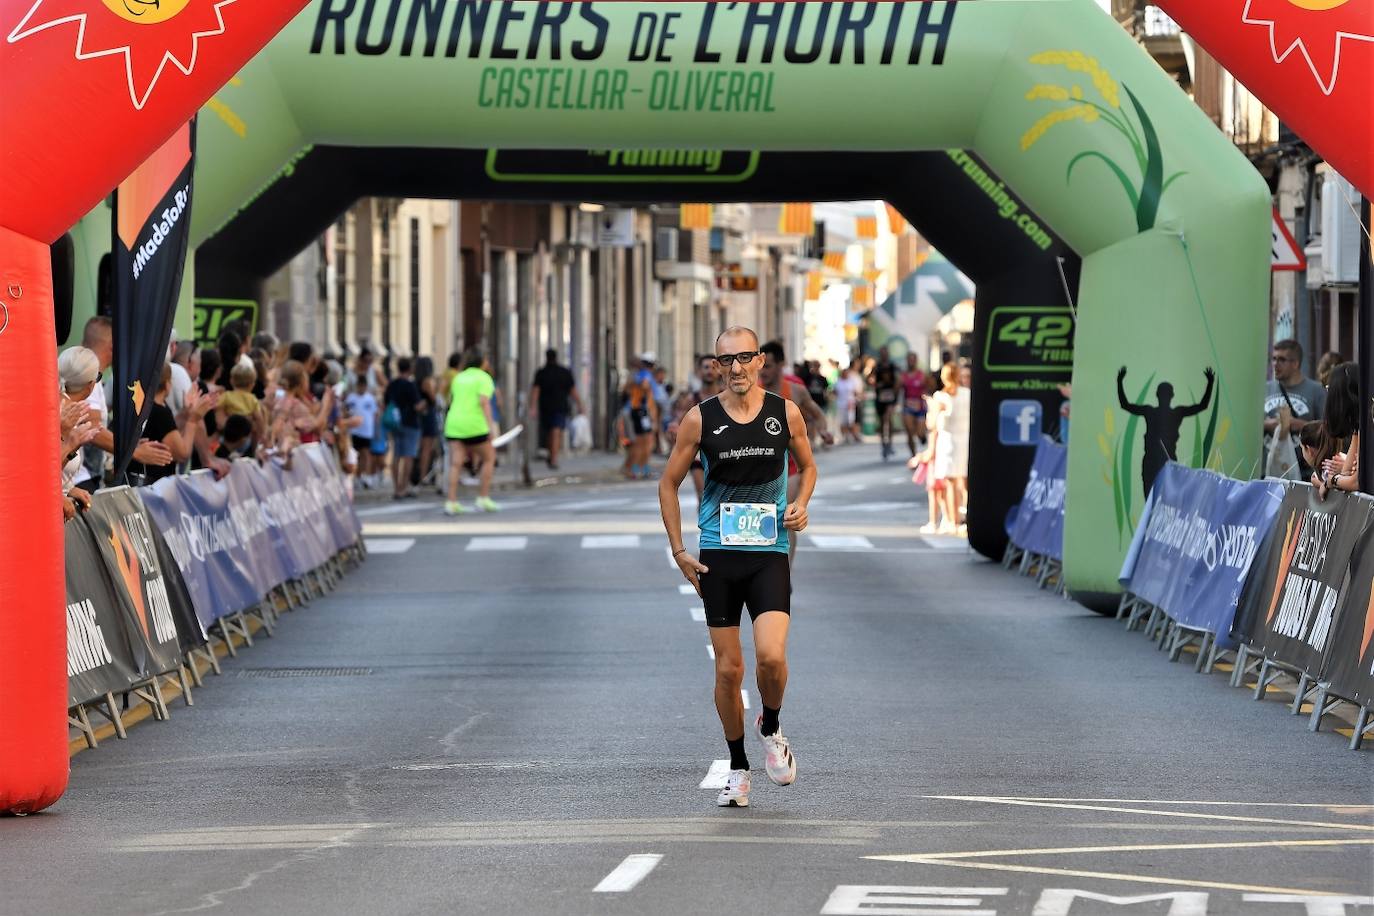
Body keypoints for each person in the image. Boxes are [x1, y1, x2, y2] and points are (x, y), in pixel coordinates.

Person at [658, 326, 817, 809]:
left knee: (771, 657)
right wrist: (680, 550)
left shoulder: (783, 412)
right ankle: (738, 766)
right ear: (716, 366)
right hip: (718, 556)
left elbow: (807, 466)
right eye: (726, 360)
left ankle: (770, 723)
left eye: (745, 358)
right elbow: (668, 483)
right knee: (729, 670)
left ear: (761, 360)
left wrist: (802, 504)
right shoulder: (699, 419)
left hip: (769, 551)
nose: (736, 368)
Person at [759, 340, 828, 561]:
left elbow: (818, 415)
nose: (764, 371)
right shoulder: (751, 391)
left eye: (769, 365)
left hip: (790, 466)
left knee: (784, 518)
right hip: (757, 468)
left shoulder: (796, 391)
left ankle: (784, 572)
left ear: (781, 364)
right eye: (761, 365)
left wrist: (824, 431)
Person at [1118, 365, 1215, 498]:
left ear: (1158, 395)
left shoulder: (1160, 412)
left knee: (1161, 500)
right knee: (1154, 500)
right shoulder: (1163, 412)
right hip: (1155, 462)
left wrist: (1120, 381)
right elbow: (1202, 405)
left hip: (1165, 462)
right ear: (1172, 395)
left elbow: (1125, 405)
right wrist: (1210, 383)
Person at [444, 347, 501, 514]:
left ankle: (451, 501)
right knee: (489, 458)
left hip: (454, 423)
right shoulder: (484, 378)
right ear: (482, 362)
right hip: (475, 424)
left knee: (456, 463)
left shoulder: (459, 377)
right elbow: (484, 403)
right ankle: (483, 497)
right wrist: (491, 427)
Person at [126, 364, 198, 486]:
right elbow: (182, 454)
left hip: (141, 480)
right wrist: (193, 420)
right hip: (154, 484)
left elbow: (168, 430)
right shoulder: (160, 412)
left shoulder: (143, 406)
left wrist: (186, 412)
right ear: (167, 384)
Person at [1264, 339, 1325, 479]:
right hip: (1268, 471)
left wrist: (1298, 425)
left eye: (1281, 360)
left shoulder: (1316, 391)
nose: (1275, 364)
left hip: (1304, 474)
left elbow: (1327, 430)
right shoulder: (1265, 389)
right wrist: (1270, 425)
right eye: (1273, 359)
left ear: (1296, 363)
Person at [922, 363, 971, 534]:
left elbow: (931, 424)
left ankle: (953, 520)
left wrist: (932, 407)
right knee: (964, 481)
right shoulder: (968, 394)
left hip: (948, 441)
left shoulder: (940, 397)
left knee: (950, 483)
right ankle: (965, 516)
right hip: (966, 440)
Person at [669, 354, 723, 503]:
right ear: (699, 371)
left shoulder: (727, 396)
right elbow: (679, 423)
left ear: (719, 369)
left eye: (713, 367)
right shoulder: (691, 399)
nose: (709, 371)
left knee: (722, 500)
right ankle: (705, 525)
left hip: (724, 454)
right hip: (699, 455)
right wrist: (674, 429)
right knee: (704, 497)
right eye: (705, 367)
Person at [530, 349, 583, 471]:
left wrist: (533, 407)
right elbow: (573, 391)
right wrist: (580, 404)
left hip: (546, 407)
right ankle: (553, 457)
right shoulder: (564, 372)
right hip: (559, 407)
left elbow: (535, 391)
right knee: (555, 432)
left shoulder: (541, 372)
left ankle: (553, 457)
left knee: (552, 432)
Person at [1314, 362, 1361, 498]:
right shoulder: (1358, 428)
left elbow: (1355, 482)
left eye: (1330, 389)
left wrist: (1330, 481)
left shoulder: (1368, 425)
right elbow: (1346, 473)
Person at [384, 357, 424, 499]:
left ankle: (396, 488)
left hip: (395, 423)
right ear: (409, 368)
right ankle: (403, 486)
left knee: (396, 455)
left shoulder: (392, 384)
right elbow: (417, 405)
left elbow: (386, 402)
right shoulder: (410, 385)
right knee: (408, 456)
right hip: (410, 422)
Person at [623, 354, 659, 480]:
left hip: (638, 411)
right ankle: (638, 469)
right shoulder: (645, 375)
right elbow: (645, 388)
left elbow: (628, 390)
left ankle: (637, 469)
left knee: (641, 441)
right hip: (641, 412)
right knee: (644, 441)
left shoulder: (635, 375)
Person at [344, 375, 379, 487]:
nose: (361, 388)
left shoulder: (370, 398)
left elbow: (375, 414)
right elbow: (345, 410)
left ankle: (365, 475)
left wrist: (375, 428)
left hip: (367, 431)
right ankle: (356, 476)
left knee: (366, 454)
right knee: (355, 454)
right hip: (354, 431)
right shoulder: (351, 398)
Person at [868, 346, 900, 460]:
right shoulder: (877, 366)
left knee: (888, 418)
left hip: (890, 396)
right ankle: (883, 444)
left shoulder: (892, 366)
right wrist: (875, 384)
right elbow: (869, 378)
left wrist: (895, 392)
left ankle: (890, 443)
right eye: (882, 353)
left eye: (885, 353)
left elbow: (898, 379)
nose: (884, 355)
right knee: (882, 421)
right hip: (880, 397)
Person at [899, 352, 929, 458]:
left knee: (920, 433)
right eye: (909, 360)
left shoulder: (921, 374)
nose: (911, 362)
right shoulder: (903, 376)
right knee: (910, 431)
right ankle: (913, 455)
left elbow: (929, 387)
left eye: (913, 360)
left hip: (920, 406)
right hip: (908, 406)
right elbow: (898, 390)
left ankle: (922, 437)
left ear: (916, 361)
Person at [832, 364, 860, 444]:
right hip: (841, 403)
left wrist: (855, 400)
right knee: (843, 421)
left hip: (850, 403)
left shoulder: (851, 381)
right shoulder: (838, 381)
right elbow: (834, 392)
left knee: (850, 420)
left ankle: (852, 435)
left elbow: (855, 392)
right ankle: (844, 436)